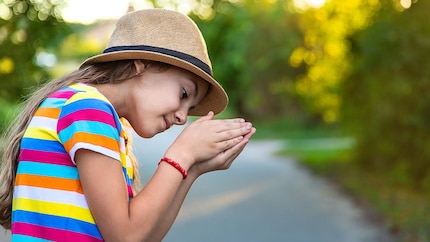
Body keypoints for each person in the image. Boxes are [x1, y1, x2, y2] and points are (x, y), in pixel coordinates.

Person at [0, 8, 256, 241]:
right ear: (141, 66)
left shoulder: (94, 114)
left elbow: (142, 236)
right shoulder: (89, 110)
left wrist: (192, 169)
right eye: (184, 95)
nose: (182, 117)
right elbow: (125, 237)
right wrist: (182, 153)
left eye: (189, 110)